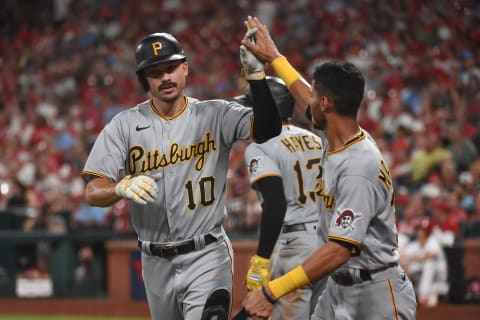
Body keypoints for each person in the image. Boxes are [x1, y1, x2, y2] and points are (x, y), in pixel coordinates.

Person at [81, 31, 281, 320]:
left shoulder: (215, 114)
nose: (165, 77)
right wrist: (120, 187)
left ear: (185, 68)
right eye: (155, 72)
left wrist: (255, 75)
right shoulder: (123, 125)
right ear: (144, 79)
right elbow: (93, 190)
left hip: (206, 252)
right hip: (154, 260)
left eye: (171, 67)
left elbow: (268, 129)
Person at [240, 16, 417, 319]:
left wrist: (271, 292)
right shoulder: (334, 135)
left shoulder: (360, 166)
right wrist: (274, 59)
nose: (304, 101)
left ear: (326, 104)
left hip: (374, 293)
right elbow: (302, 91)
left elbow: (339, 250)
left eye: (313, 96)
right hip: (337, 289)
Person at [234, 76, 326, 319]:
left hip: (295, 244)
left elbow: (276, 203)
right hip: (328, 243)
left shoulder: (261, 145)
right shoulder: (315, 138)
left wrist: (262, 258)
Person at [400, 218, 449, 307]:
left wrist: (413, 260)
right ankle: (402, 297)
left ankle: (423, 297)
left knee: (429, 263)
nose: (419, 232)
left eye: (422, 230)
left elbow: (432, 255)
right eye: (418, 229)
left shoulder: (433, 241)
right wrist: (406, 264)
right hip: (421, 277)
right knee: (402, 266)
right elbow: (402, 257)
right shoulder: (415, 245)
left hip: (438, 277)